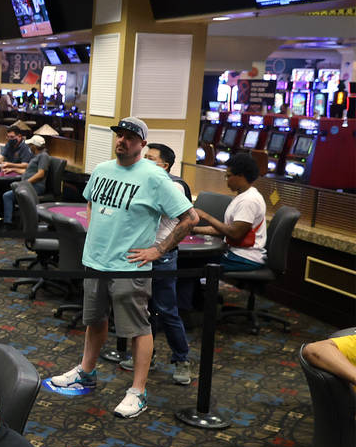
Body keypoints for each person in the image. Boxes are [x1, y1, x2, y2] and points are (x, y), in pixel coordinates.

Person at [48, 117, 196, 418]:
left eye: (130, 137)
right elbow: (90, 204)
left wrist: (159, 249)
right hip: (95, 261)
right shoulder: (102, 170)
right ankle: (86, 372)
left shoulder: (155, 178)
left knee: (137, 328)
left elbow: (190, 218)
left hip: (130, 267)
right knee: (95, 319)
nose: (122, 141)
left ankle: (138, 391)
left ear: (142, 144)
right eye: (119, 135)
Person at [119, 142, 194, 386]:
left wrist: (160, 249)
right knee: (142, 309)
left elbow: (188, 220)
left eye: (151, 158)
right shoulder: (144, 180)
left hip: (162, 256)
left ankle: (182, 359)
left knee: (166, 309)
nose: (145, 161)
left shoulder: (172, 186)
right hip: (140, 254)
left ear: (165, 165)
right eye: (145, 156)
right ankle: (145, 357)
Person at [193, 151, 267, 271]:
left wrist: (205, 216)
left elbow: (234, 233)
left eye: (228, 176)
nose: (226, 180)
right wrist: (193, 230)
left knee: (193, 264)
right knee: (193, 261)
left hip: (244, 258)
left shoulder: (248, 200)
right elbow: (225, 229)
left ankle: (200, 288)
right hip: (237, 253)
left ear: (241, 176)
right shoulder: (243, 196)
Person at [0, 135, 49, 225]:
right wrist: (13, 169)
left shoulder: (43, 156)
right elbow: (28, 171)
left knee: (7, 196)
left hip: (35, 187)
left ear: (35, 146)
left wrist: (26, 183)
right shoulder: (36, 156)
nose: (29, 147)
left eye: (30, 145)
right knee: (8, 193)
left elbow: (40, 174)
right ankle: (9, 221)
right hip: (29, 185)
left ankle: (7, 224)